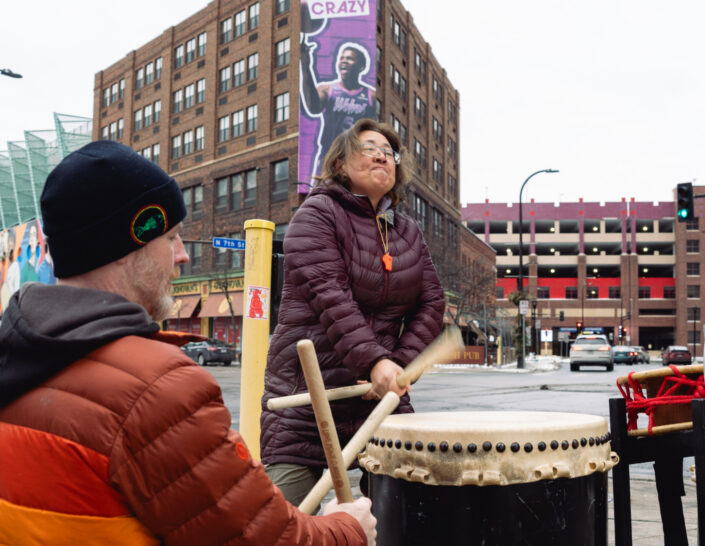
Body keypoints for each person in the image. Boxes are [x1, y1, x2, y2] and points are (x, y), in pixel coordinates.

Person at [0, 141, 376, 546]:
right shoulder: (158, 390)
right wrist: (347, 528)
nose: (183, 255)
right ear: (127, 245)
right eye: (172, 237)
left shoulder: (17, 357)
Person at [261, 119, 444, 505]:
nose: (382, 155)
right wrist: (373, 361)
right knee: (282, 522)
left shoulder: (407, 231)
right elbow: (330, 296)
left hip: (378, 399)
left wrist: (397, 366)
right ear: (341, 164)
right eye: (368, 147)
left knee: (407, 511)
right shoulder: (316, 215)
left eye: (389, 152)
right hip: (307, 397)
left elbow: (431, 304)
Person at [301, 39, 376, 179]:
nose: (344, 61)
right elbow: (313, 109)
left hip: (357, 158)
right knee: (322, 197)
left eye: (350, 58)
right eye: (341, 58)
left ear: (361, 66)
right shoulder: (327, 89)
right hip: (329, 157)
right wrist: (306, 67)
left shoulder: (371, 96)